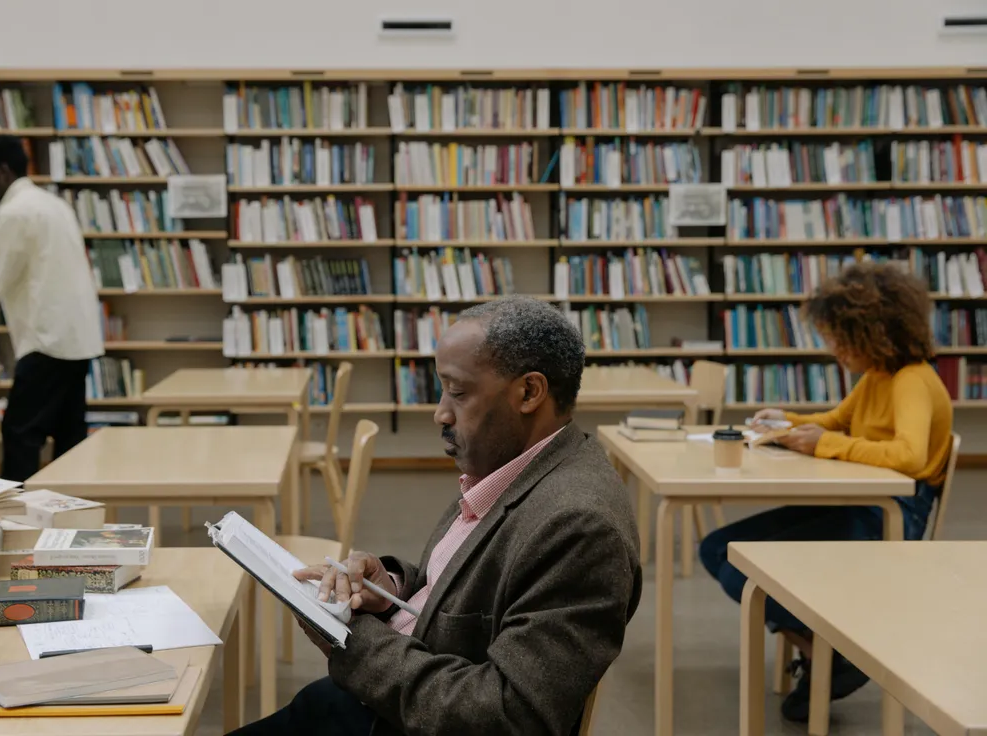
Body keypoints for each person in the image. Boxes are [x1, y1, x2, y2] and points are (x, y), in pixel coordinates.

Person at [230, 296, 642, 736]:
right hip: (383, 696)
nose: (439, 413)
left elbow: (509, 716)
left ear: (529, 392)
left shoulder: (580, 527)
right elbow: (464, 588)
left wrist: (353, 639)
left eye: (458, 393)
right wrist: (389, 589)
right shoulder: (509, 469)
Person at [699, 262, 953, 722]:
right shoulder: (877, 375)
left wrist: (824, 444)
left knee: (742, 575)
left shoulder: (912, 380)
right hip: (857, 500)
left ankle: (840, 650)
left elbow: (910, 456)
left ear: (873, 334)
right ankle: (830, 652)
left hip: (890, 517)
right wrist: (786, 422)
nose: (833, 348)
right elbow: (836, 421)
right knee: (718, 548)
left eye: (841, 338)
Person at [0, 135, 103, 482]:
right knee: (69, 435)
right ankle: (69, 505)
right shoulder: (54, 205)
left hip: (47, 339)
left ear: (3, 171)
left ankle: (14, 509)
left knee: (20, 432)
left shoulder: (15, 211)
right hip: (78, 337)